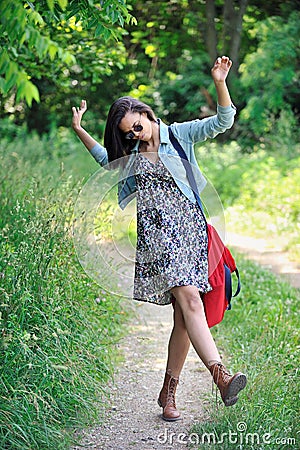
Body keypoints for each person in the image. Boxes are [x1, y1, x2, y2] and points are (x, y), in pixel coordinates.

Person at [72, 56, 247, 421]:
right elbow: (106, 159)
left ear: (148, 115)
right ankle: (221, 377)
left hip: (191, 232)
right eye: (128, 133)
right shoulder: (131, 155)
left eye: (136, 126)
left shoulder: (179, 136)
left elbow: (223, 121)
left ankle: (168, 394)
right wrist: (79, 129)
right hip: (158, 241)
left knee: (184, 317)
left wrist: (219, 81)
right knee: (191, 303)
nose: (134, 135)